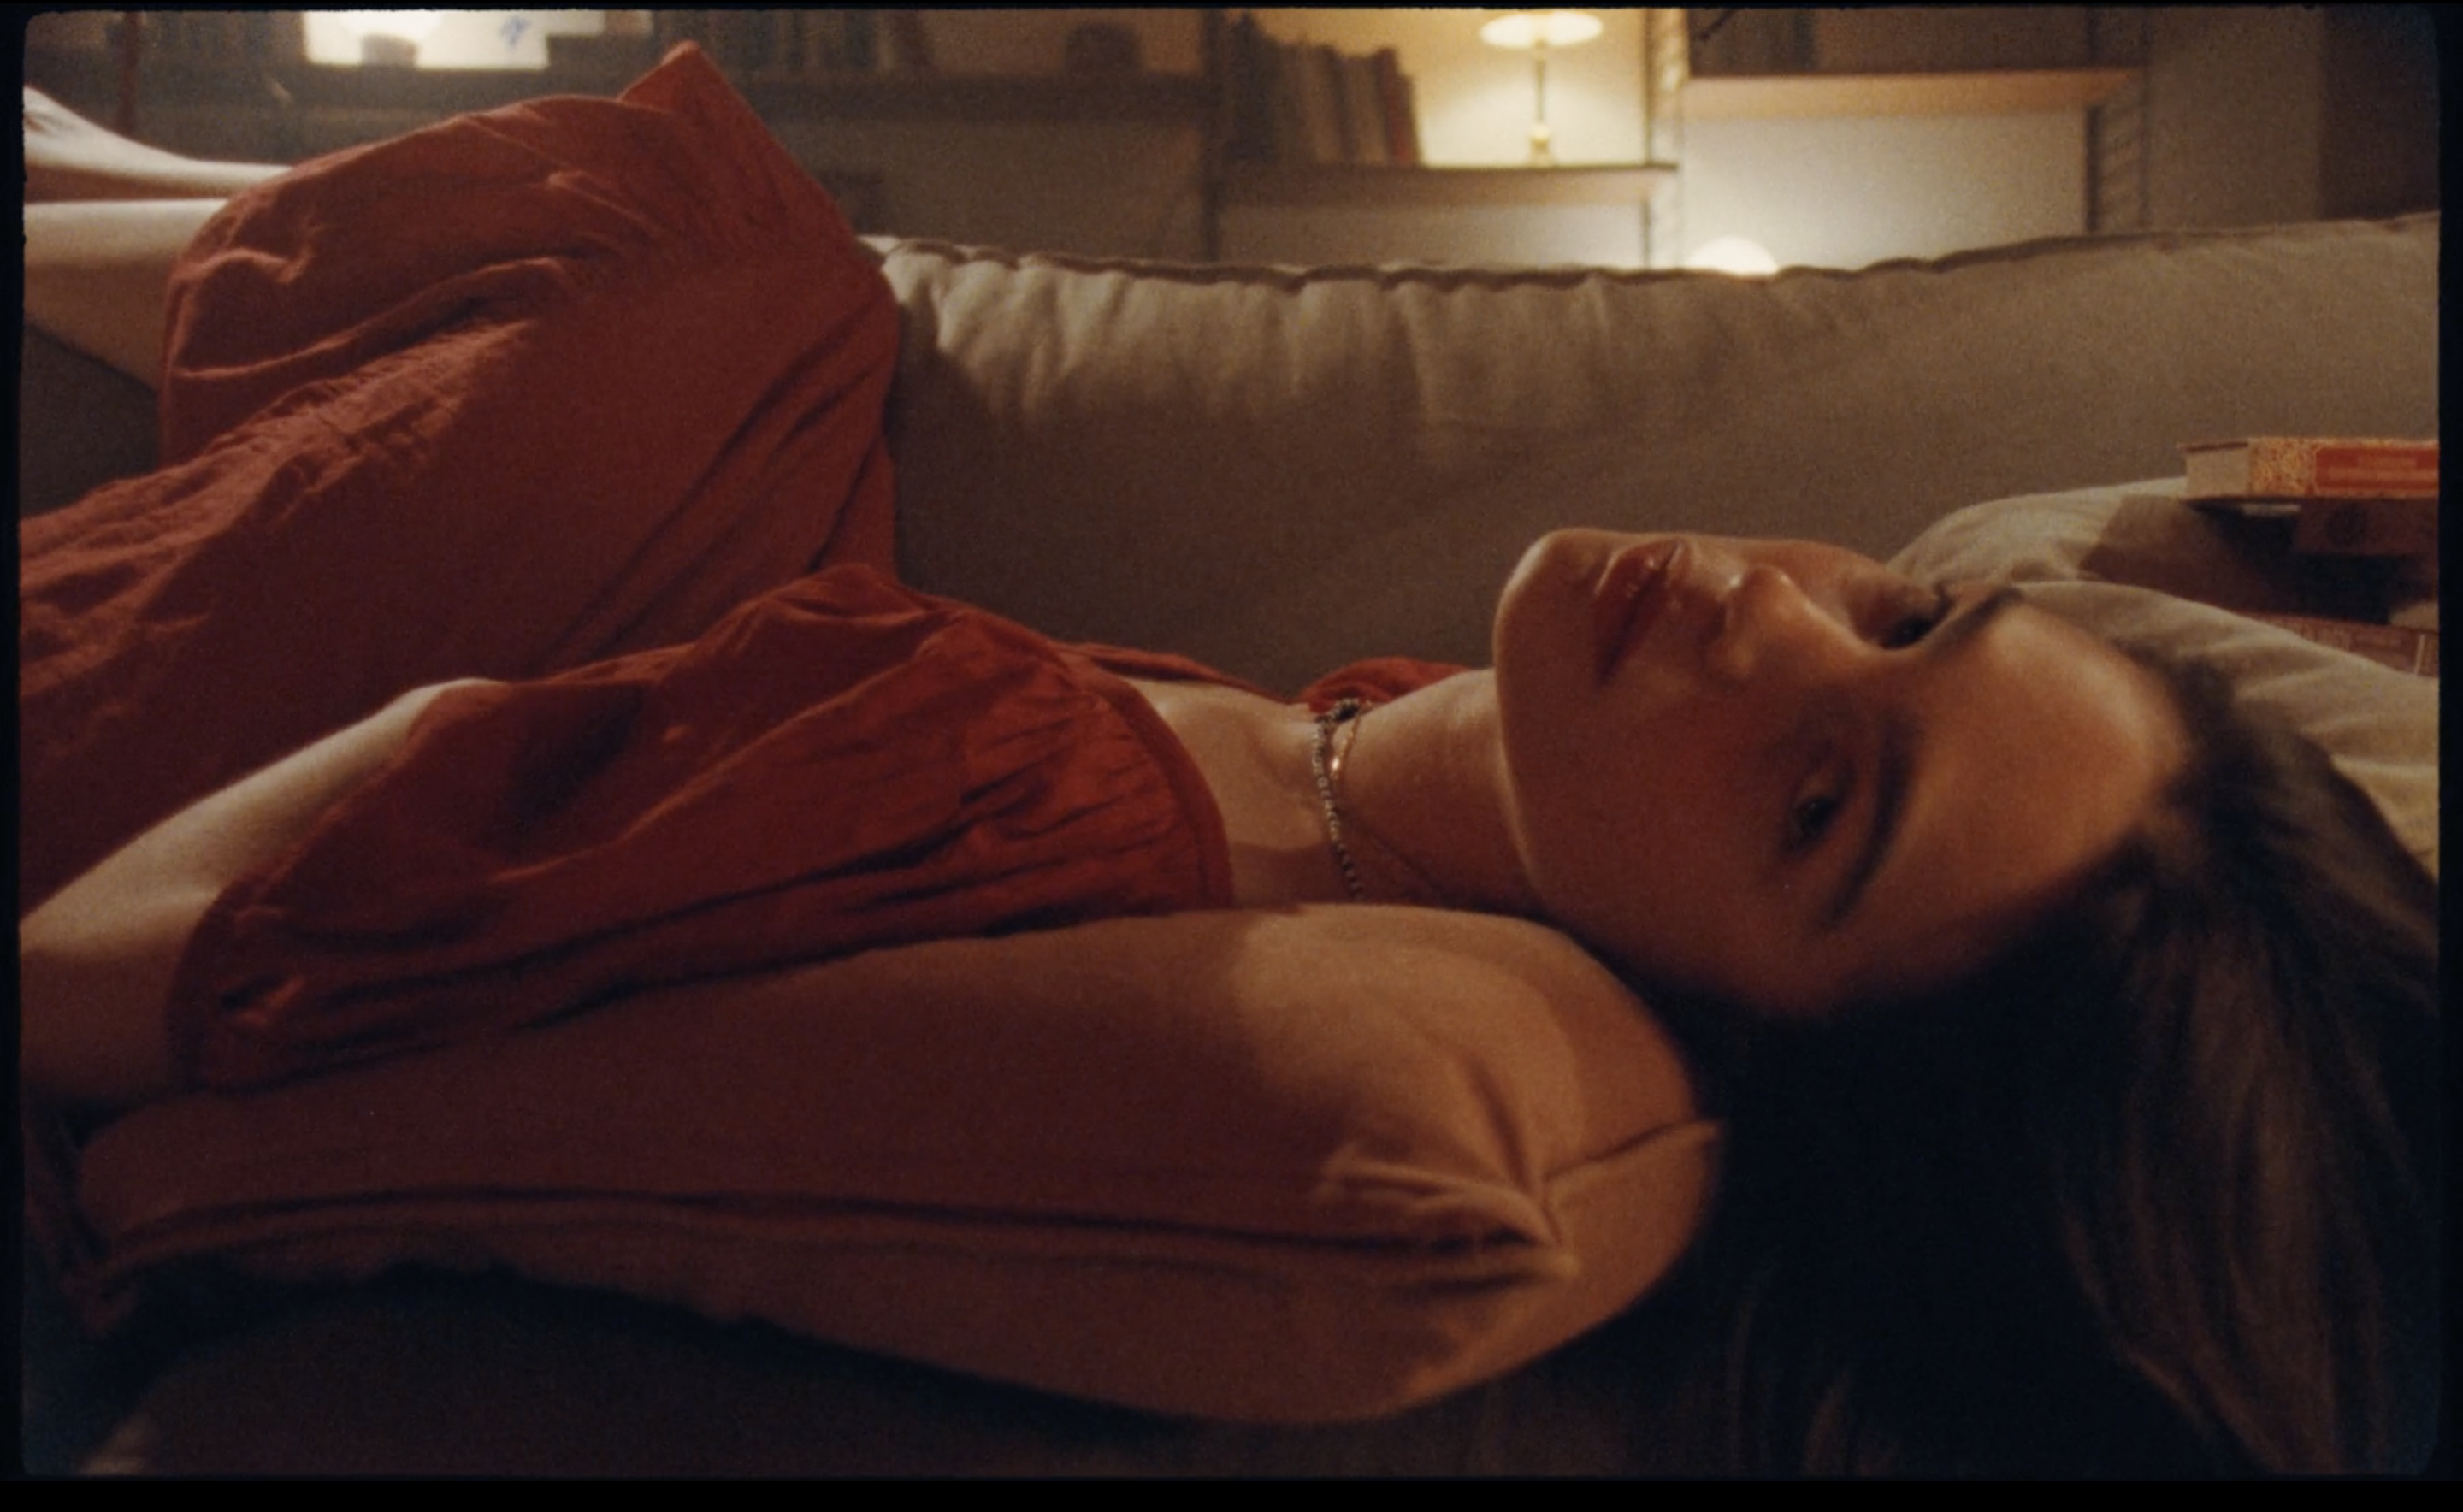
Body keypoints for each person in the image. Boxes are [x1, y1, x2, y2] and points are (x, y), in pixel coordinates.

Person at [20, 73, 2438, 1474]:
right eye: (1902, 616)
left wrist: (499, 746)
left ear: (1748, 1047)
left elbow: (102, 980)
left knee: (695, 308)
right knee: (746, 292)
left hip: (150, 782)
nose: (1762, 613)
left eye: (1816, 799)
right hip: (621, 540)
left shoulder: (1031, 800)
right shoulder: (1384, 772)